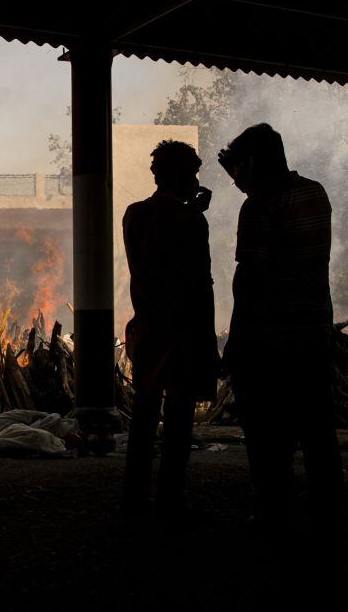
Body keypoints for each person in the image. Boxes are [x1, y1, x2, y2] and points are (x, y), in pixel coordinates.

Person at [218, 122, 343, 531]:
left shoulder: (259, 203)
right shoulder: (316, 193)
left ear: (251, 162)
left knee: (267, 434)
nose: (235, 180)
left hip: (269, 341)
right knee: (317, 430)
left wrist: (235, 341)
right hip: (313, 332)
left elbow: (250, 277)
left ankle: (273, 512)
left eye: (237, 169)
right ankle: (328, 511)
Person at [122, 139, 219, 514]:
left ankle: (135, 494)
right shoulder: (188, 219)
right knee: (178, 418)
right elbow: (192, 277)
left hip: (147, 328)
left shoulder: (134, 214)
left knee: (145, 414)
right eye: (192, 172)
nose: (195, 179)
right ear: (179, 175)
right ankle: (169, 498)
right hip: (182, 331)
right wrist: (194, 214)